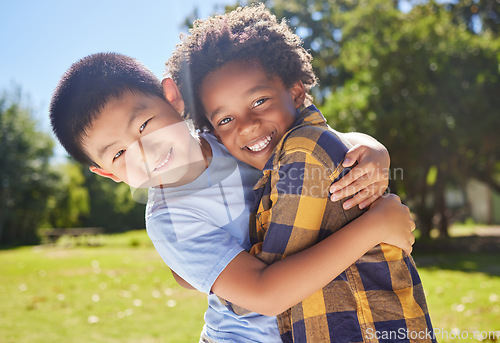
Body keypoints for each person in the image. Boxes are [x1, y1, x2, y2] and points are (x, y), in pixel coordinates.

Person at [50, 52, 415, 343]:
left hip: (312, 320)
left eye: (144, 125)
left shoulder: (230, 135)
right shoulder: (170, 219)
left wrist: (372, 149)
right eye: (118, 154)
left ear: (172, 98)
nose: (144, 151)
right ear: (108, 174)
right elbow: (265, 294)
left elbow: (316, 140)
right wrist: (373, 228)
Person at [166, 4, 435, 343]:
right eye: (225, 120)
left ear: (295, 91)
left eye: (260, 101)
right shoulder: (276, 161)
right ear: (212, 133)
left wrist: (213, 274)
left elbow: (259, 297)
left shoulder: (301, 154)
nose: (247, 127)